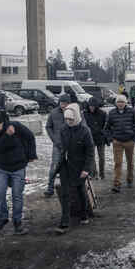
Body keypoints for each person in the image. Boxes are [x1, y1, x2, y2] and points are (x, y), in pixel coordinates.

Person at [0, 110, 37, 235]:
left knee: (17, 195)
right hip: (2, 168)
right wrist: (6, 135)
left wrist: (31, 155)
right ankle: (3, 218)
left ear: (2, 122)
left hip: (18, 167)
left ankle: (17, 222)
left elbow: (30, 136)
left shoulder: (15, 125)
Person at [55, 103, 95, 234]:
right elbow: (61, 146)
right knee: (66, 193)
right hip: (66, 165)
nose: (68, 122)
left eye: (71, 119)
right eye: (66, 119)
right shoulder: (63, 129)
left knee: (80, 191)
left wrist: (86, 169)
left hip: (80, 166)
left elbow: (90, 152)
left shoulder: (85, 131)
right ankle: (64, 222)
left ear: (76, 117)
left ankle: (84, 214)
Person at [104, 95, 135, 193]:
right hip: (117, 142)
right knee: (118, 163)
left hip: (129, 141)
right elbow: (106, 128)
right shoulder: (112, 113)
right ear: (116, 103)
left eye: (122, 102)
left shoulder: (132, 111)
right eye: (118, 102)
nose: (120, 104)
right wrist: (111, 139)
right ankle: (117, 184)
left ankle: (130, 179)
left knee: (130, 162)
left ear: (125, 103)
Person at [45, 94, 71, 196]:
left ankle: (70, 189)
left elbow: (82, 126)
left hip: (71, 145)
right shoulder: (54, 112)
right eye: (61, 103)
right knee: (54, 167)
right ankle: (50, 188)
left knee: (71, 167)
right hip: (58, 145)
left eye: (65, 103)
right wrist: (55, 139)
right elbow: (48, 127)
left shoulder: (74, 112)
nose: (63, 105)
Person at [84, 97, 108, 180]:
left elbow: (106, 125)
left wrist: (102, 133)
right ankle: (94, 173)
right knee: (92, 157)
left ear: (96, 106)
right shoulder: (85, 113)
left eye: (93, 106)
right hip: (90, 138)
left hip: (100, 138)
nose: (91, 108)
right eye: (90, 106)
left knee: (102, 157)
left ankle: (102, 173)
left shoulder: (103, 113)